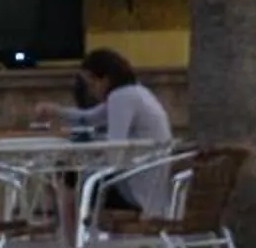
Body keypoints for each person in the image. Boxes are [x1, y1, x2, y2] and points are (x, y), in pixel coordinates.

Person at [38, 48, 176, 211]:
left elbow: (115, 148)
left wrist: (88, 150)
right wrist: (57, 111)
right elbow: (91, 117)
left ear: (105, 79)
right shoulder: (136, 92)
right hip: (150, 182)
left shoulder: (121, 97)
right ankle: (79, 232)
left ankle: (75, 234)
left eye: (92, 84)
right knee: (73, 177)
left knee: (69, 179)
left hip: (137, 187)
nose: (91, 91)